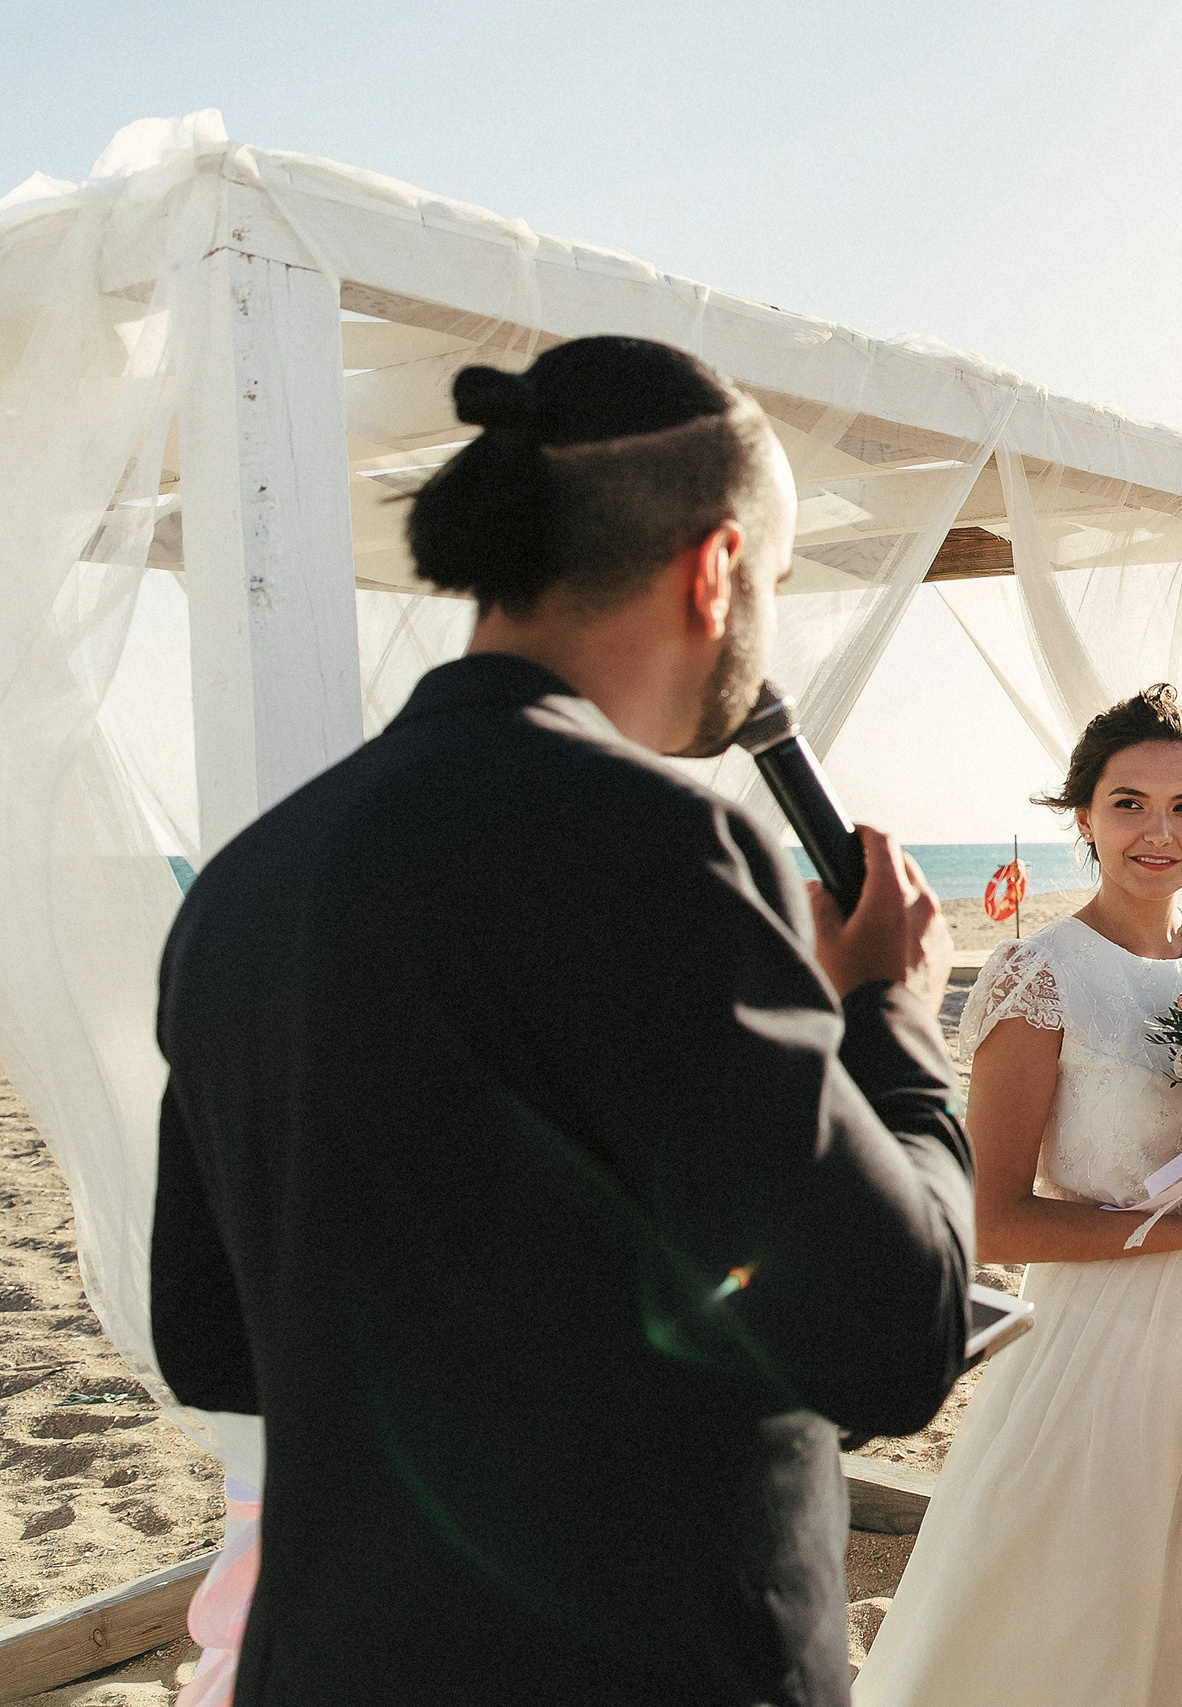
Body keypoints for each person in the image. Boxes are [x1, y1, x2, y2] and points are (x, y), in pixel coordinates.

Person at [149, 337, 975, 1707]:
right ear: (716, 570)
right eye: (768, 584)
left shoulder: (250, 878)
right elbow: (895, 1333)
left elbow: (212, 1334)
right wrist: (892, 1014)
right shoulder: (663, 846)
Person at [856, 686, 1182, 1707]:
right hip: (1108, 1339)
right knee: (1075, 1606)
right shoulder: (1041, 974)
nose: (1159, 830)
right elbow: (992, 1219)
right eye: (1129, 803)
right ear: (1084, 817)